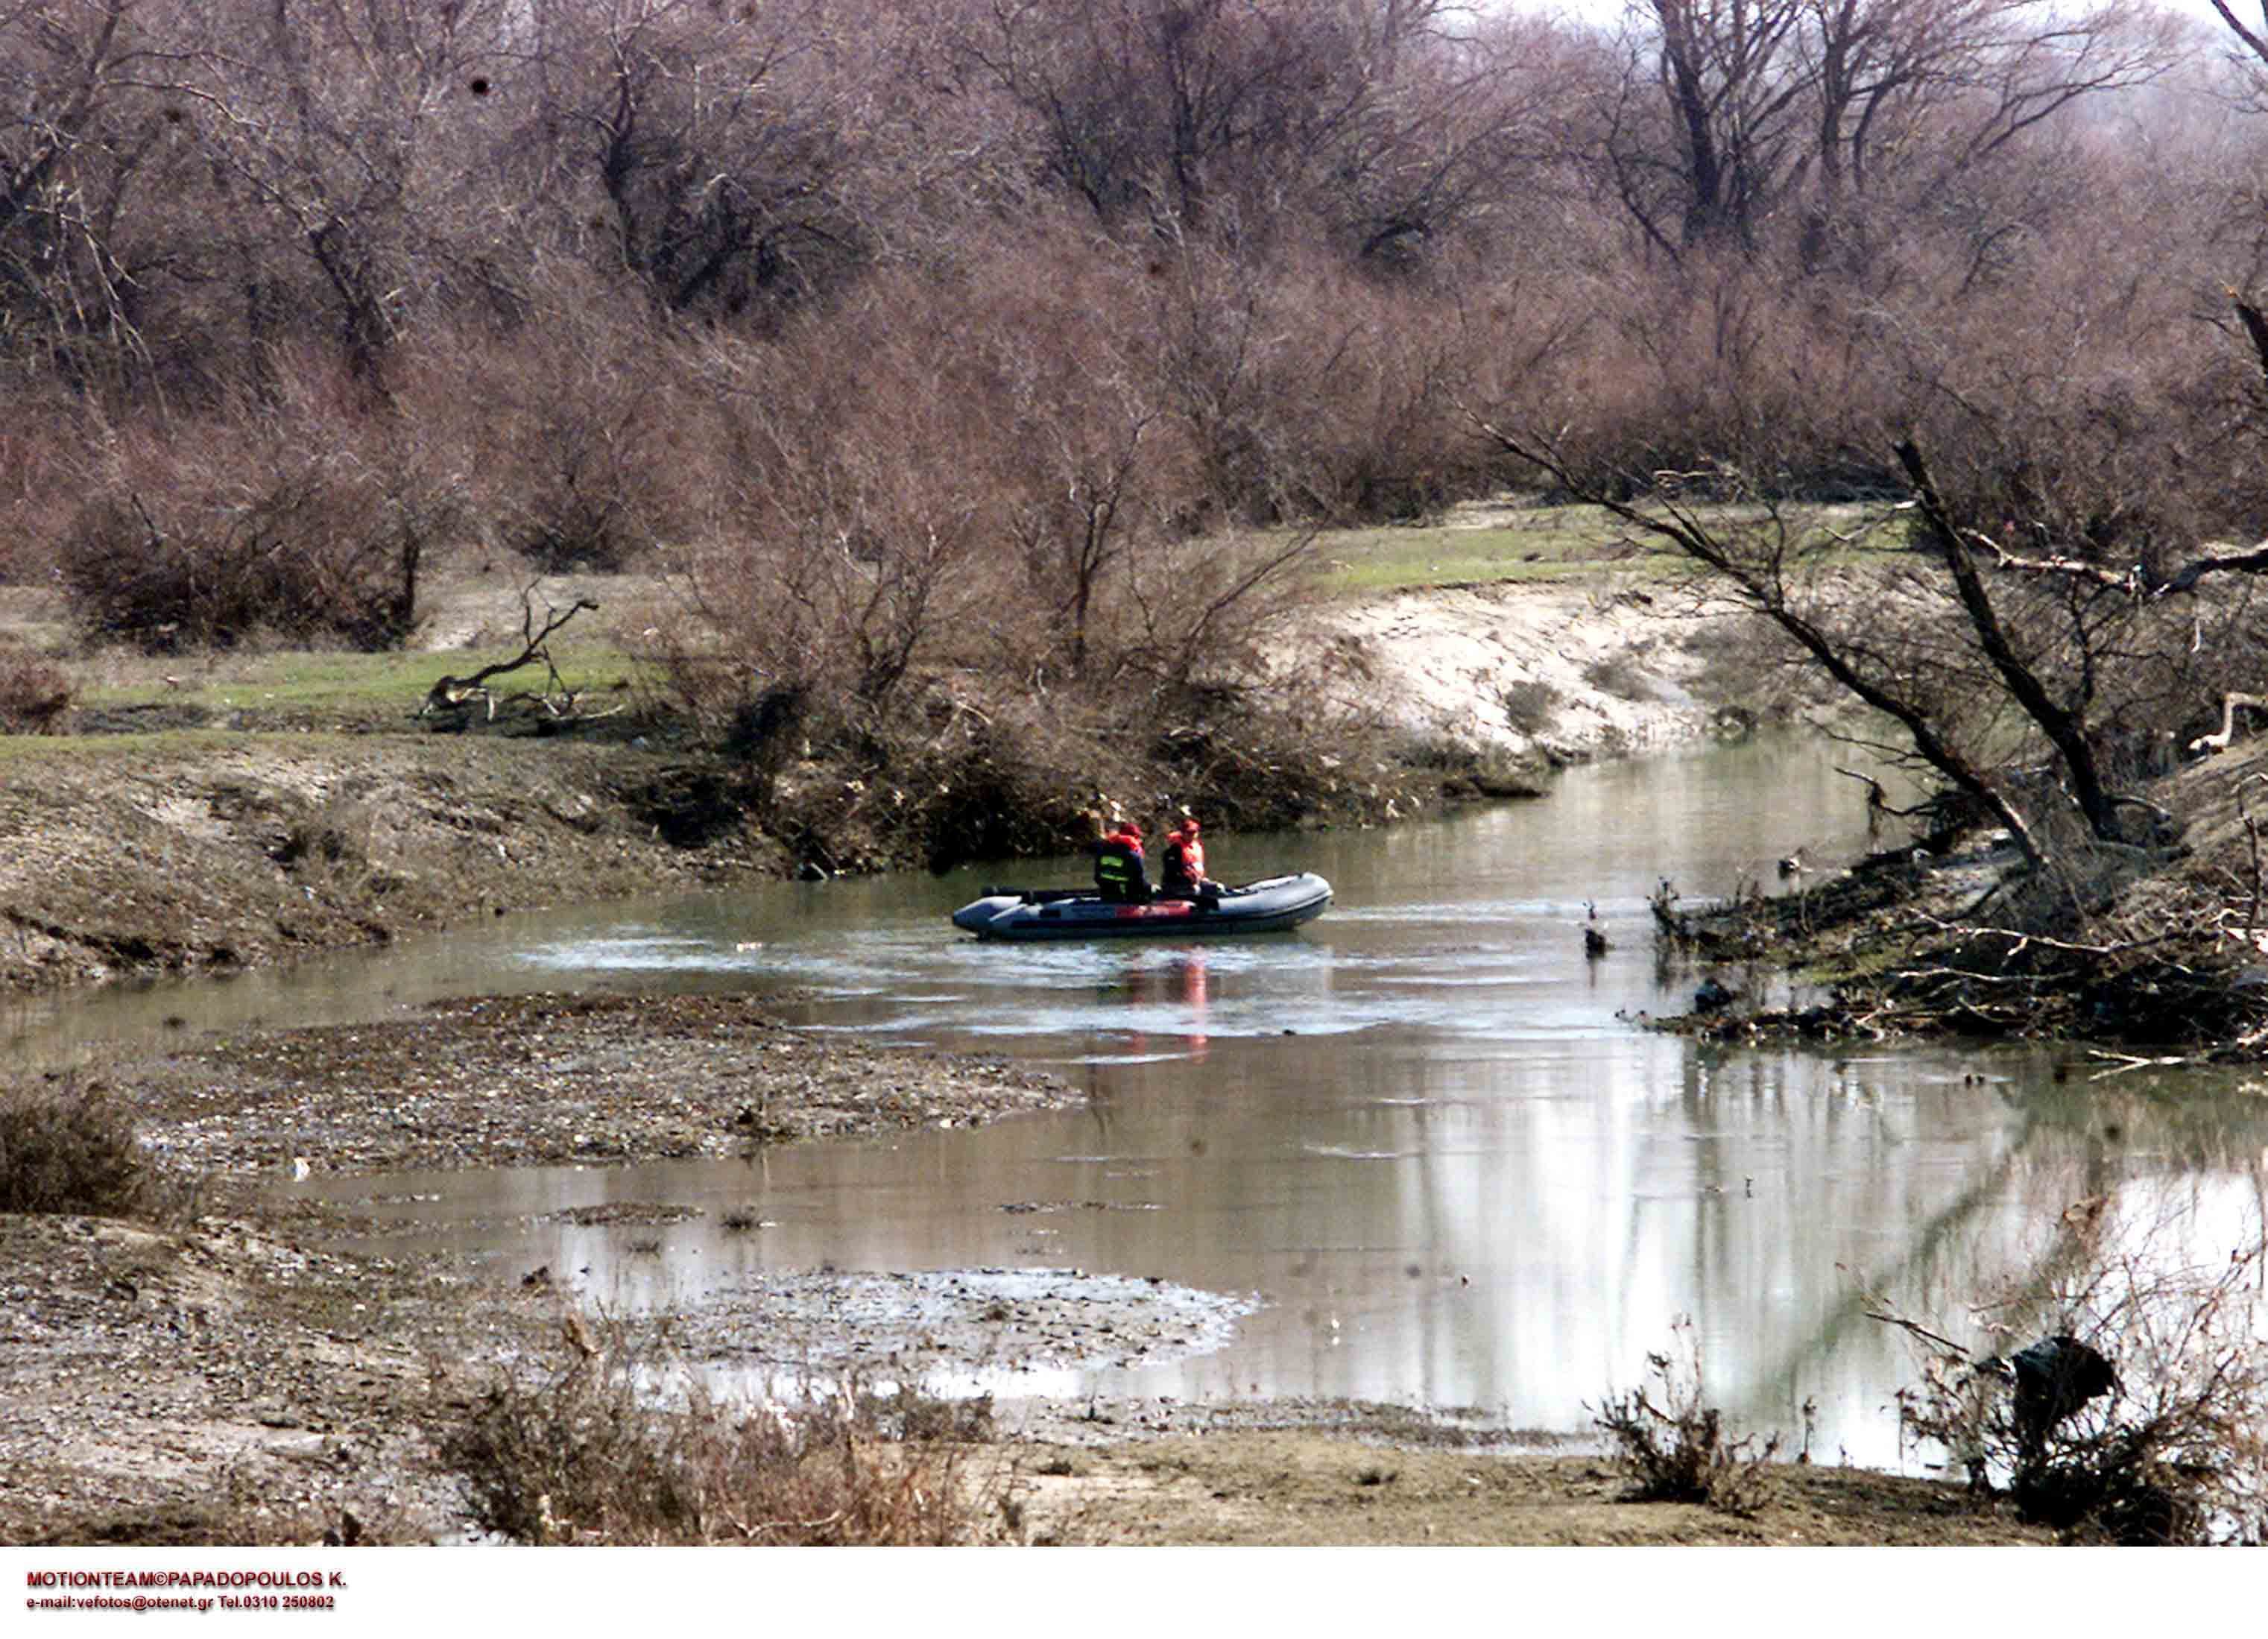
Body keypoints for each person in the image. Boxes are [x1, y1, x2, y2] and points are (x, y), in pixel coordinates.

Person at [1089, 810, 1151, 904]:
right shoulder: (1133, 857)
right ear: (1134, 839)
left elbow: (1097, 878)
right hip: (1128, 900)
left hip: (1106, 898)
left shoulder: (1102, 852)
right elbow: (1140, 883)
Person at [1159, 813, 1217, 900]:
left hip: (1194, 882)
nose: (1192, 835)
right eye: (1189, 833)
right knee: (1195, 890)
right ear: (1183, 833)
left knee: (1216, 887)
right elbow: (1172, 874)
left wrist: (1200, 879)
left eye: (1194, 832)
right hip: (1176, 885)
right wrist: (1189, 881)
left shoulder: (1197, 846)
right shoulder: (1174, 850)